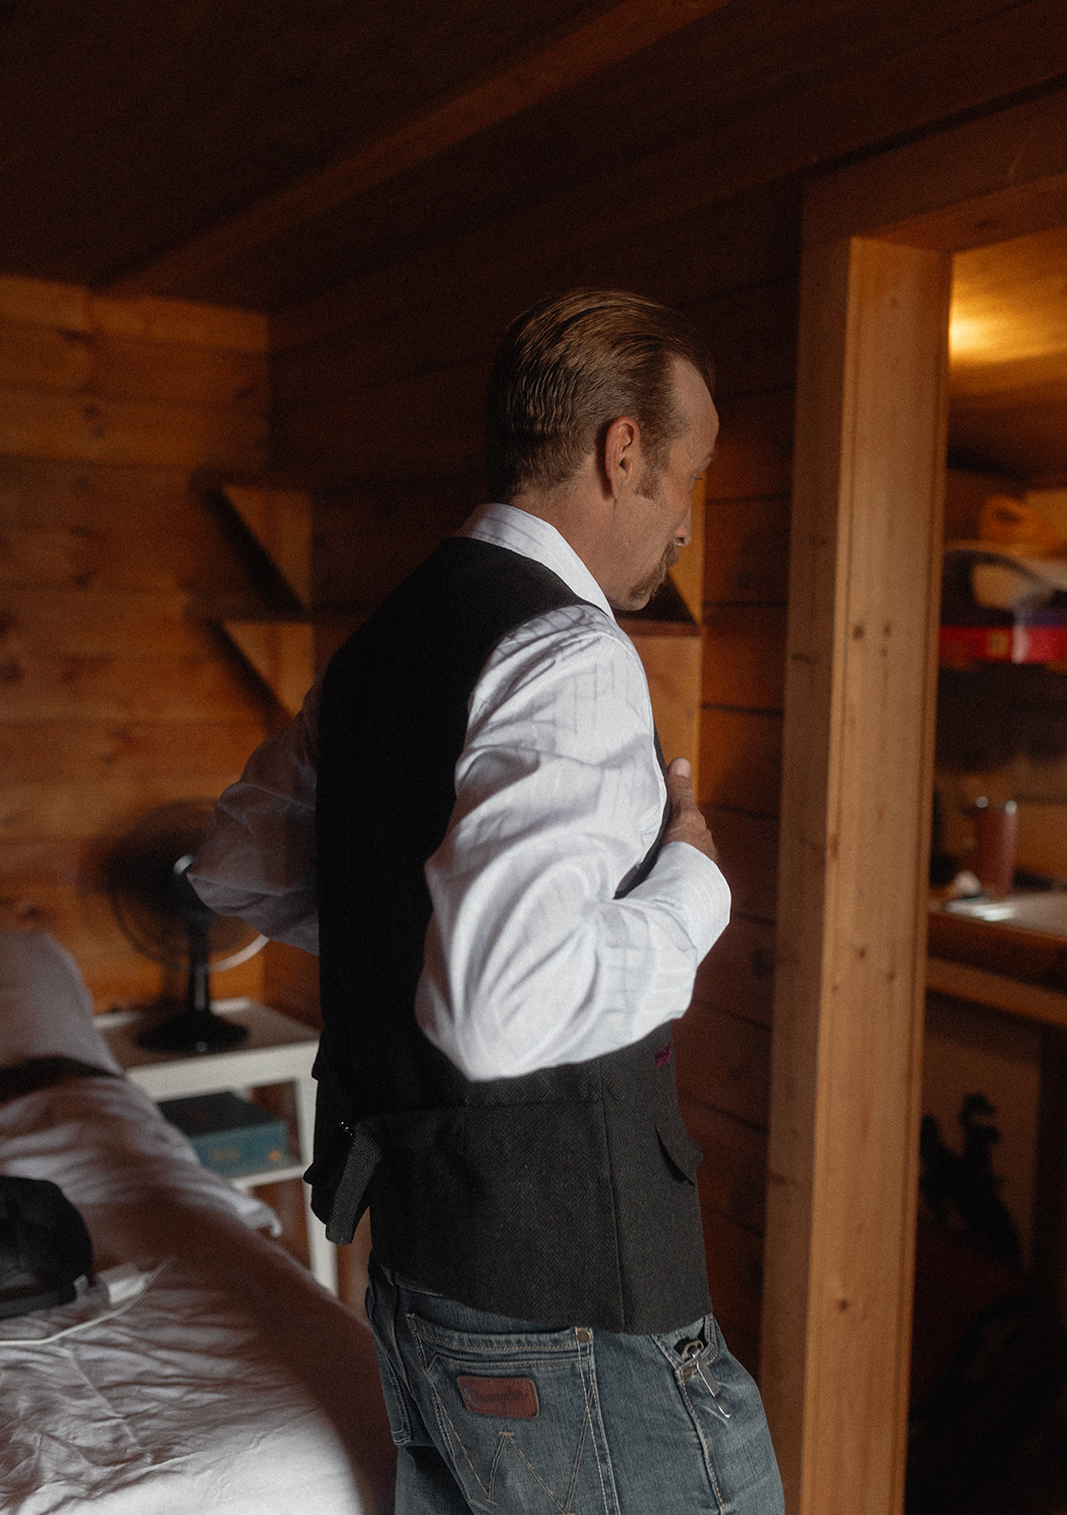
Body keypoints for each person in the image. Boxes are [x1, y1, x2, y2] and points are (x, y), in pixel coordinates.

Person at [191, 289, 784, 1514]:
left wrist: (409, 937)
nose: (683, 518)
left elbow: (235, 870)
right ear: (623, 450)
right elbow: (497, 1012)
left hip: (416, 1274)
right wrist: (693, 882)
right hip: (575, 1307)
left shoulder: (379, 644)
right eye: (689, 472)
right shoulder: (568, 653)